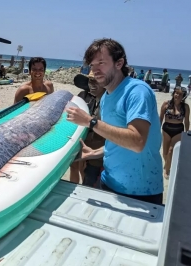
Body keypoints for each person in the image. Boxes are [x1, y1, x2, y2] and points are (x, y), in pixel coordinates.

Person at [66, 38, 163, 205]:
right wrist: (94, 153)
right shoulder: (106, 98)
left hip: (141, 191)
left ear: (119, 63)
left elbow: (137, 141)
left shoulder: (137, 91)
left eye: (101, 63)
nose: (95, 70)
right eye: (92, 65)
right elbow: (118, 140)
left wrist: (91, 122)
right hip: (108, 182)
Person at [70, 71, 106, 187]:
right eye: (90, 80)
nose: (92, 84)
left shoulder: (107, 102)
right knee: (76, 167)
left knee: (88, 176)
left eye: (96, 80)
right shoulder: (82, 96)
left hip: (98, 153)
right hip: (82, 142)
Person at [160, 86, 190, 179]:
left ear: (183, 96)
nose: (178, 95)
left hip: (178, 130)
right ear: (173, 94)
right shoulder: (166, 104)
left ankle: (167, 170)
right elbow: (160, 118)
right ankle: (167, 164)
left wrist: (186, 132)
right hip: (166, 130)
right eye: (176, 93)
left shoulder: (185, 107)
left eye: (180, 94)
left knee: (171, 150)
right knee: (165, 152)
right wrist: (157, 129)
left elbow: (186, 121)